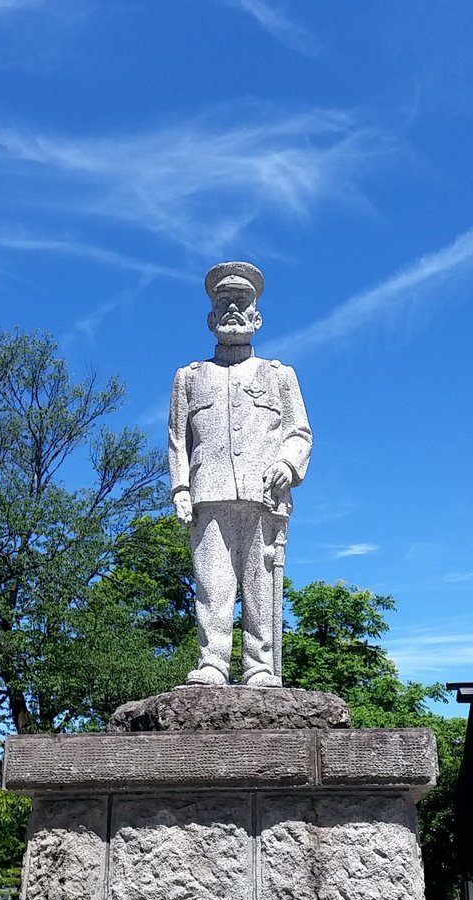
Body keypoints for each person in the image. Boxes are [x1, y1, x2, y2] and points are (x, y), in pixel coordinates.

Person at [168, 261, 312, 686]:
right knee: (211, 584)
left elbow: (299, 432)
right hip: (207, 491)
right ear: (211, 317)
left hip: (261, 493)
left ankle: (259, 665)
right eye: (222, 302)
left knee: (259, 584)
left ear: (256, 315)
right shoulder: (188, 378)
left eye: (241, 301)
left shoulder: (278, 375)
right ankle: (212, 661)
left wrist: (287, 464)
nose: (232, 308)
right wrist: (179, 486)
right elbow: (178, 439)